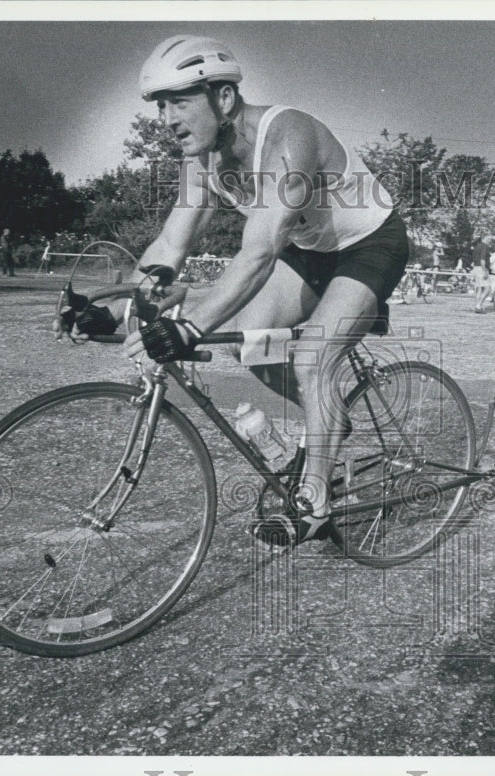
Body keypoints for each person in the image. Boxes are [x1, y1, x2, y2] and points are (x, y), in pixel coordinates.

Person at [56, 35, 409, 548]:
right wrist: (113, 310)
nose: (166, 120)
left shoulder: (288, 135)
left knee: (313, 359)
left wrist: (189, 324)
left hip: (369, 243)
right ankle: (326, 420)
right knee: (250, 341)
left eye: (179, 102)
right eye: (161, 105)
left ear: (223, 98)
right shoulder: (202, 164)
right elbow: (170, 244)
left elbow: (260, 251)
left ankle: (316, 506)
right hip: (310, 249)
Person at [472, 234, 493, 312]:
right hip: (481, 268)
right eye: (489, 239)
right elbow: (482, 260)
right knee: (488, 288)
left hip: (475, 268)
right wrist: (485, 271)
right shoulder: (484, 246)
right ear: (484, 238)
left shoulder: (477, 246)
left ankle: (477, 306)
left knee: (479, 288)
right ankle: (478, 305)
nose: (490, 240)